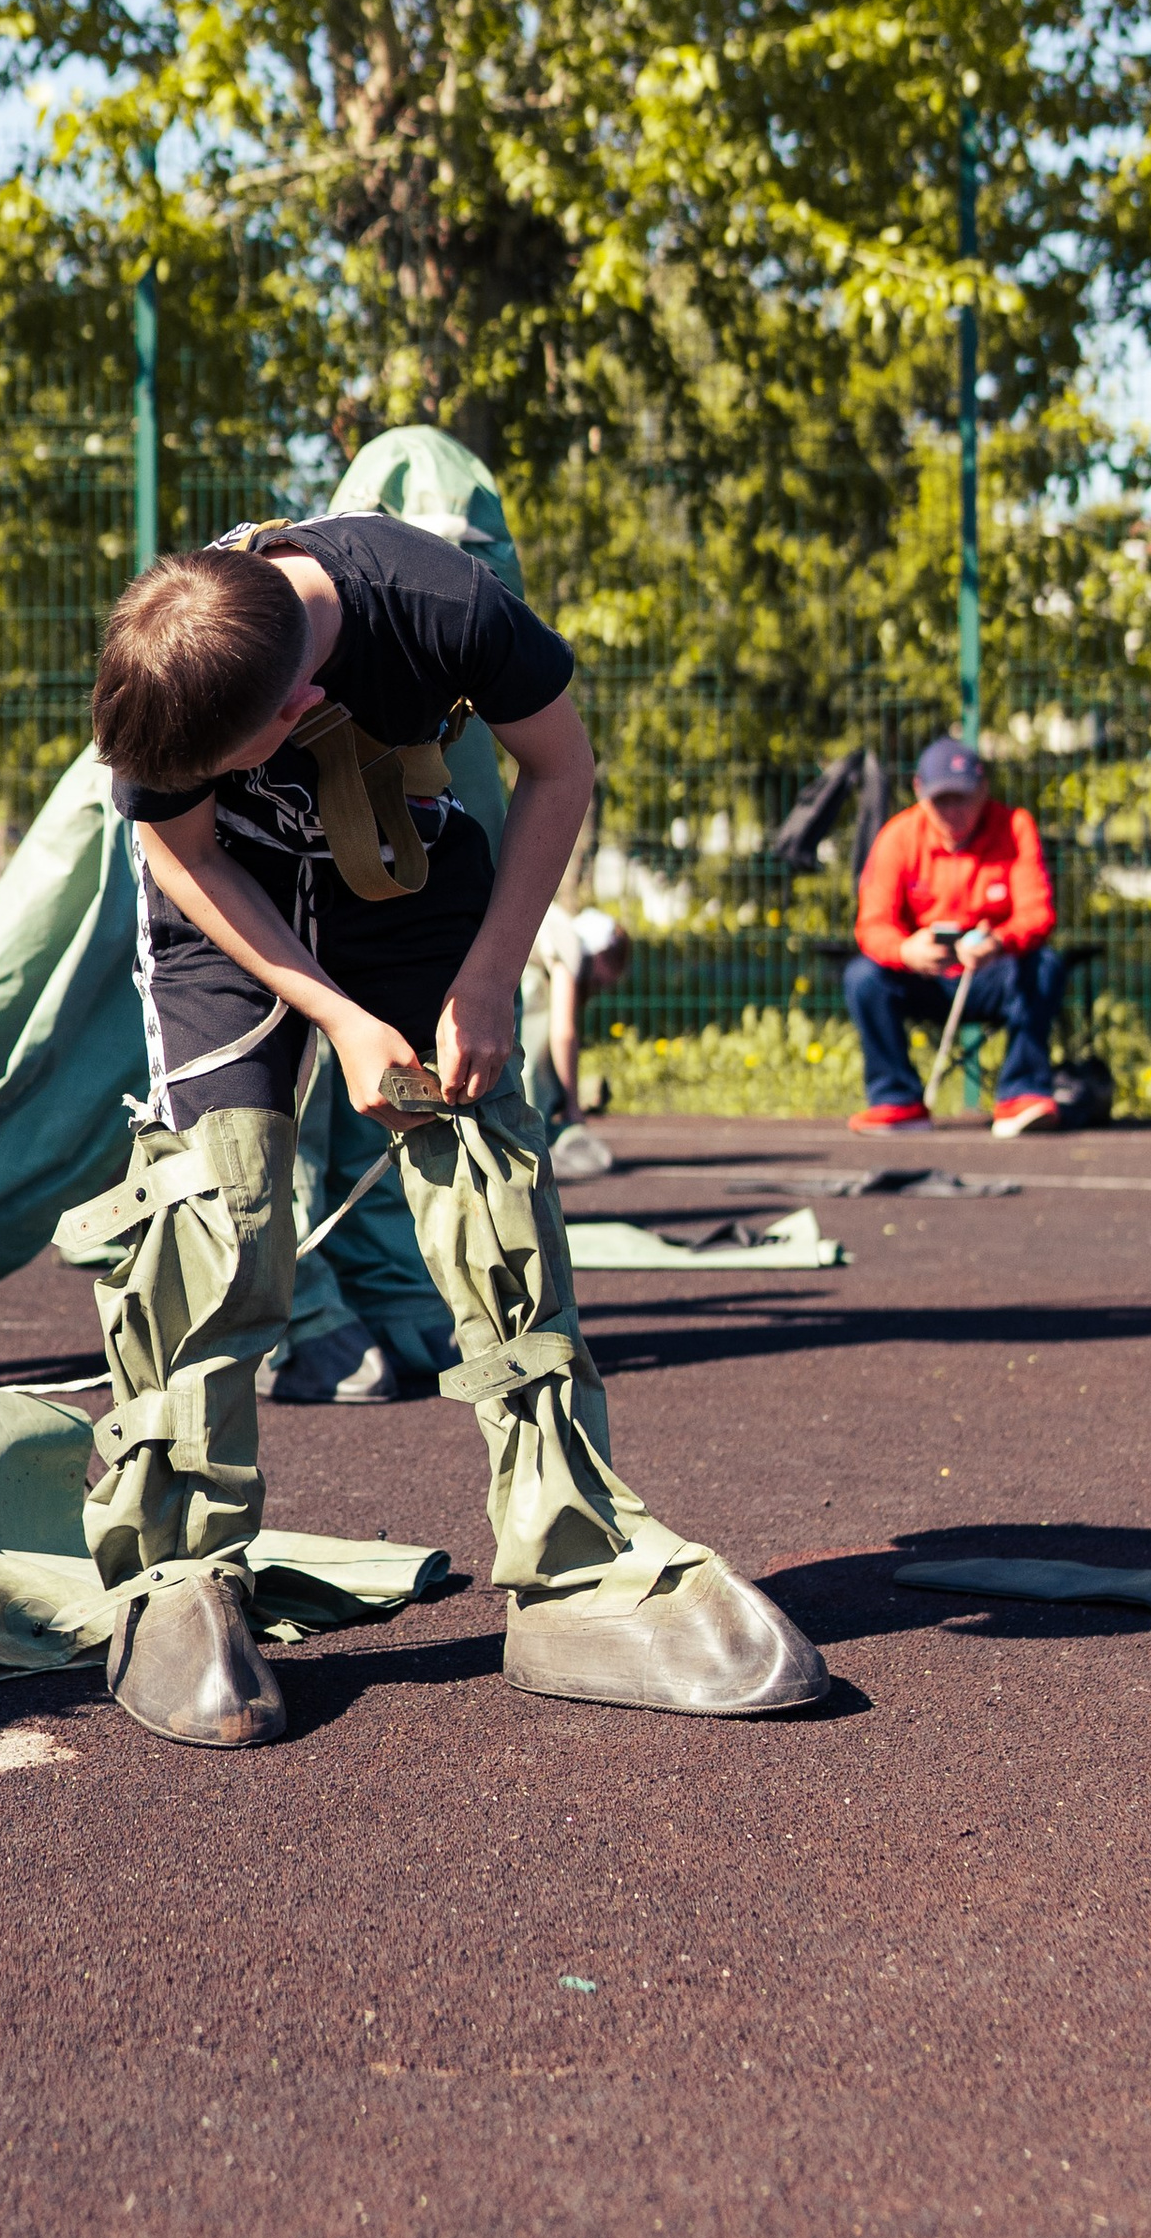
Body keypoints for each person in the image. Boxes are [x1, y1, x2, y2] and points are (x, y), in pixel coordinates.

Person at [75, 512, 827, 1748]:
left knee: (489, 1191)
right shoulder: (173, 667)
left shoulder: (441, 605)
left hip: (405, 880)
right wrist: (335, 1019)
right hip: (234, 906)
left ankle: (570, 1556)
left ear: (297, 705)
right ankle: (177, 1566)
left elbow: (563, 768)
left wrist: (488, 979)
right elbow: (182, 849)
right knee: (215, 1211)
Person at [846, 737, 1064, 1136]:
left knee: (1045, 966)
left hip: (991, 974)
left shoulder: (1015, 828)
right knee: (862, 978)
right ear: (918, 792)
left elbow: (1037, 913)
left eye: (961, 798)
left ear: (983, 789)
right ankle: (896, 1099)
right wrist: (907, 950)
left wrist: (999, 941)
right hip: (923, 978)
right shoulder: (898, 836)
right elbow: (872, 924)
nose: (952, 812)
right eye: (940, 800)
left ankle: (1022, 1094)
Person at [522, 900, 631, 1180]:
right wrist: (573, 1106)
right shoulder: (569, 944)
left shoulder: (560, 928)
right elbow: (563, 1032)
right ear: (602, 954)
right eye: (602, 980)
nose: (600, 986)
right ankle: (528, 1140)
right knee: (537, 1017)